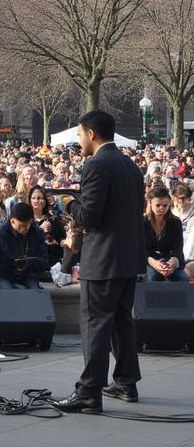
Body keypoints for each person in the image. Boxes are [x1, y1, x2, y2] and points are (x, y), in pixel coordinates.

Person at [50, 111, 145, 413]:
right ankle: (126, 383)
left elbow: (90, 216)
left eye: (79, 135)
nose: (78, 141)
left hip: (103, 259)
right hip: (129, 258)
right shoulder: (131, 165)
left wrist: (68, 201)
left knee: (94, 324)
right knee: (121, 322)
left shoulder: (95, 166)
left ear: (91, 133)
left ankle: (89, 392)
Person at [0, 202, 48, 289]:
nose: (24, 229)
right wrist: (15, 264)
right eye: (20, 226)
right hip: (2, 274)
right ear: (12, 221)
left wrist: (29, 264)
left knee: (35, 292)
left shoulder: (37, 233)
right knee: (8, 293)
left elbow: (44, 260)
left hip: (27, 274)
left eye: (27, 225)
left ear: (31, 221)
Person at [143, 186, 188, 282]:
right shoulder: (142, 222)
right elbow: (140, 250)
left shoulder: (175, 222)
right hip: (147, 261)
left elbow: (177, 248)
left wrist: (173, 261)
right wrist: (154, 263)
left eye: (165, 205)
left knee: (182, 277)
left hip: (169, 260)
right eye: (158, 205)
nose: (162, 208)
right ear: (150, 203)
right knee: (152, 277)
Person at [28, 185, 65, 266]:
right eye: (34, 198)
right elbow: (26, 240)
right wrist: (40, 229)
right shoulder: (27, 220)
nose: (37, 201)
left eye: (41, 198)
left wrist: (57, 242)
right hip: (33, 261)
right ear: (30, 200)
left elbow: (61, 238)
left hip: (52, 261)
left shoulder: (53, 219)